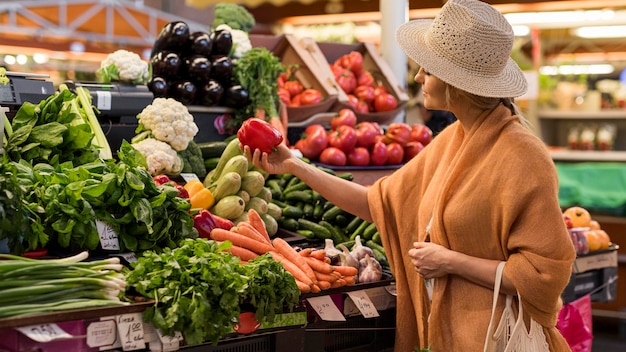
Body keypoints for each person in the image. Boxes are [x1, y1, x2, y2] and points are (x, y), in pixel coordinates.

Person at [242, 0, 576, 350]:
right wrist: (295, 164)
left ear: (455, 84)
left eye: (427, 70)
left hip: (497, 340)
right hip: (449, 337)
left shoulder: (524, 156)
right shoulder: (452, 141)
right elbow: (377, 203)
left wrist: (451, 262)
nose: (417, 77)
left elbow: (544, 275)